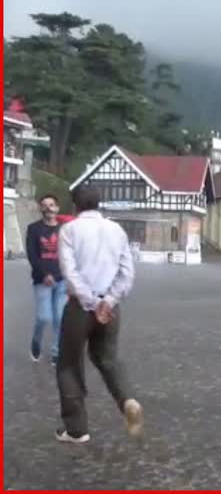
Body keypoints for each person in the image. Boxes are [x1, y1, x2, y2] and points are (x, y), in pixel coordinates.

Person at [56, 185, 143, 444]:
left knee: (69, 365)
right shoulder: (116, 230)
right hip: (110, 307)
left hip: (80, 307)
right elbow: (127, 273)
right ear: (99, 204)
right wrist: (109, 300)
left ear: (75, 205)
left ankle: (76, 429)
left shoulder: (69, 230)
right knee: (107, 359)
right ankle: (128, 400)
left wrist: (92, 302)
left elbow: (70, 273)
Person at [25, 194, 68, 365]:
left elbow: (70, 254)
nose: (48, 208)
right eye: (44, 205)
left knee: (59, 318)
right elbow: (32, 255)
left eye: (51, 204)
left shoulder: (65, 229)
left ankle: (56, 352)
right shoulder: (34, 229)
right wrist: (44, 275)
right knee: (44, 317)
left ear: (57, 208)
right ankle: (36, 342)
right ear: (40, 209)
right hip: (41, 280)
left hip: (62, 280)